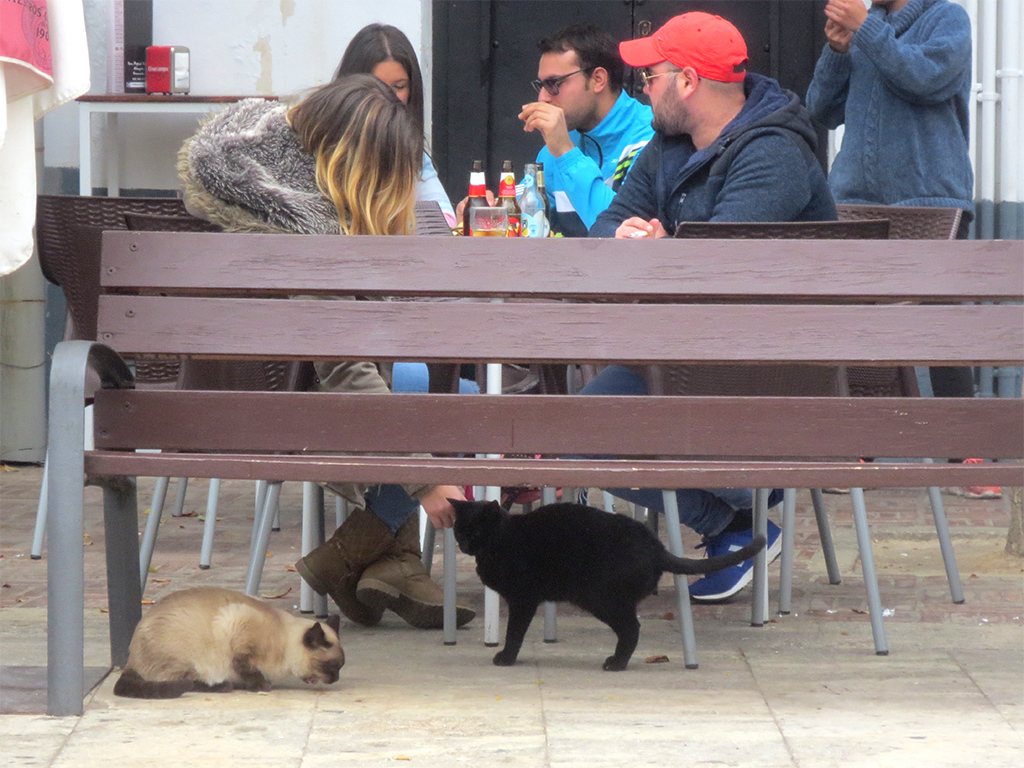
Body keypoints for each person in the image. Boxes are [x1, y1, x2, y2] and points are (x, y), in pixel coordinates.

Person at [179, 75, 475, 630]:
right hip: (288, 401)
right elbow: (342, 366)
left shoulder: (251, 158)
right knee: (460, 401)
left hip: (239, 387)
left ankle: (387, 563)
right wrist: (426, 477)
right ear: (355, 162)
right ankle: (343, 559)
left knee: (430, 386)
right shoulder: (301, 223)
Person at [585, 12, 837, 602]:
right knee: (576, 431)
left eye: (651, 74)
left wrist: (664, 249)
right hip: (673, 352)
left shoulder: (773, 151)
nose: (641, 84)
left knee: (597, 425)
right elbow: (607, 223)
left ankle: (742, 504)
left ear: (689, 82)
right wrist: (628, 239)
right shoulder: (666, 147)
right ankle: (735, 518)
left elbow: (722, 267)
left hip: (764, 371)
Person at [805, 0, 998, 499]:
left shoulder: (948, 18)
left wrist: (865, 30)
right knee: (859, 323)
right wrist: (835, 50)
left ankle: (963, 453)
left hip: (932, 197)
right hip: (854, 199)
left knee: (944, 326)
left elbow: (924, 78)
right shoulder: (866, 28)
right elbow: (819, 110)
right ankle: (860, 445)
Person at [518, 24, 654, 237]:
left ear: (598, 79)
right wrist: (494, 210)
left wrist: (566, 153)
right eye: (541, 86)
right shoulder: (555, 148)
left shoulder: (650, 137)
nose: (543, 98)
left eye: (554, 84)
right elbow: (527, 222)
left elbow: (625, 229)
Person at [335, 23, 457, 228]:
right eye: (375, 86)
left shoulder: (413, 154)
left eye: (398, 87)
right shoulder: (324, 148)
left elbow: (442, 222)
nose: (387, 96)